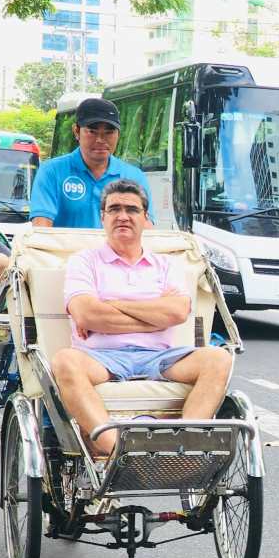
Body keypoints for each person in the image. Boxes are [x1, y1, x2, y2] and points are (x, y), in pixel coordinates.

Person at [52, 180, 232, 457]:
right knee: (64, 361)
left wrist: (111, 304)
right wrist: (154, 317)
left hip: (160, 356)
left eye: (132, 210)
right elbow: (86, 313)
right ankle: (116, 453)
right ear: (103, 217)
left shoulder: (166, 265)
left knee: (219, 359)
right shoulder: (84, 261)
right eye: (114, 209)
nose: (123, 216)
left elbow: (176, 313)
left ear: (145, 218)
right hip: (100, 357)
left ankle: (181, 448)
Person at [29, 98, 154, 229]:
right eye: (92, 132)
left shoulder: (134, 176)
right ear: (76, 131)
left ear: (118, 134)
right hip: (68, 250)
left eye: (109, 132)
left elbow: (146, 230)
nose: (100, 140)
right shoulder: (52, 171)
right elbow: (41, 228)